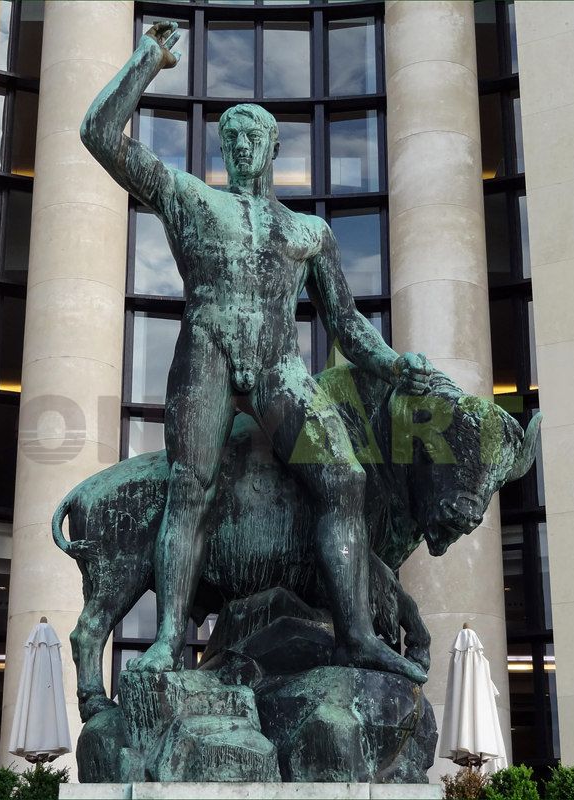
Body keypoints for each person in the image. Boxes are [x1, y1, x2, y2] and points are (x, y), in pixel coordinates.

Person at [80, 21, 431, 679]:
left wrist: (394, 363)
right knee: (191, 489)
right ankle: (167, 642)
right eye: (231, 136)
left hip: (279, 369)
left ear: (273, 150)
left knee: (345, 480)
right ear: (223, 148)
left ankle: (355, 634)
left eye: (254, 136)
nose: (241, 143)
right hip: (208, 354)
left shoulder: (308, 232)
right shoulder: (190, 200)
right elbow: (98, 135)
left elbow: (348, 326)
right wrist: (146, 61)